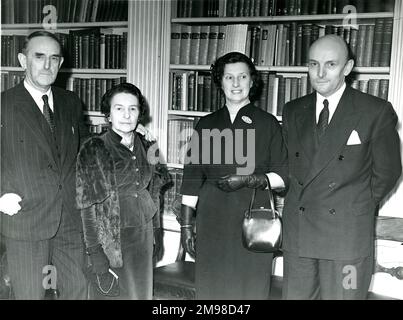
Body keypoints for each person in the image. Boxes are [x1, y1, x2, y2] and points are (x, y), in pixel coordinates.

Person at [281, 34, 402, 300]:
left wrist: (357, 204)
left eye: (330, 65)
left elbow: (389, 171)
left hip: (346, 234)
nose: (320, 73)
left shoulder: (375, 110)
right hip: (299, 232)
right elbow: (290, 166)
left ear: (347, 68)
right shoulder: (293, 110)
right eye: (314, 64)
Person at [179, 52, 288, 299]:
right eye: (229, 77)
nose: (236, 83)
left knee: (249, 289)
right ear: (220, 82)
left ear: (252, 81)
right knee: (211, 289)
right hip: (212, 220)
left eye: (242, 76)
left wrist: (250, 179)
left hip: (254, 221)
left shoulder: (268, 123)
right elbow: (192, 179)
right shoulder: (205, 124)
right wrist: (187, 227)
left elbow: (283, 178)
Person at [0, 30, 89, 299]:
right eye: (39, 57)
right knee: (30, 295)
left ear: (61, 64)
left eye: (54, 58)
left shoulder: (70, 102)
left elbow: (84, 153)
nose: (47, 65)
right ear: (22, 60)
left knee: (78, 291)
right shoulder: (3, 105)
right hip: (25, 220)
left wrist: (127, 137)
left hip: (69, 219)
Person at [75, 82, 170, 299]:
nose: (126, 115)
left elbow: (155, 193)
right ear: (108, 114)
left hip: (144, 236)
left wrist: (157, 232)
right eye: (119, 108)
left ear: (140, 113)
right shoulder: (94, 148)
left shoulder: (148, 145)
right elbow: (87, 209)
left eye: (132, 108)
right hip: (111, 239)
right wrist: (95, 253)